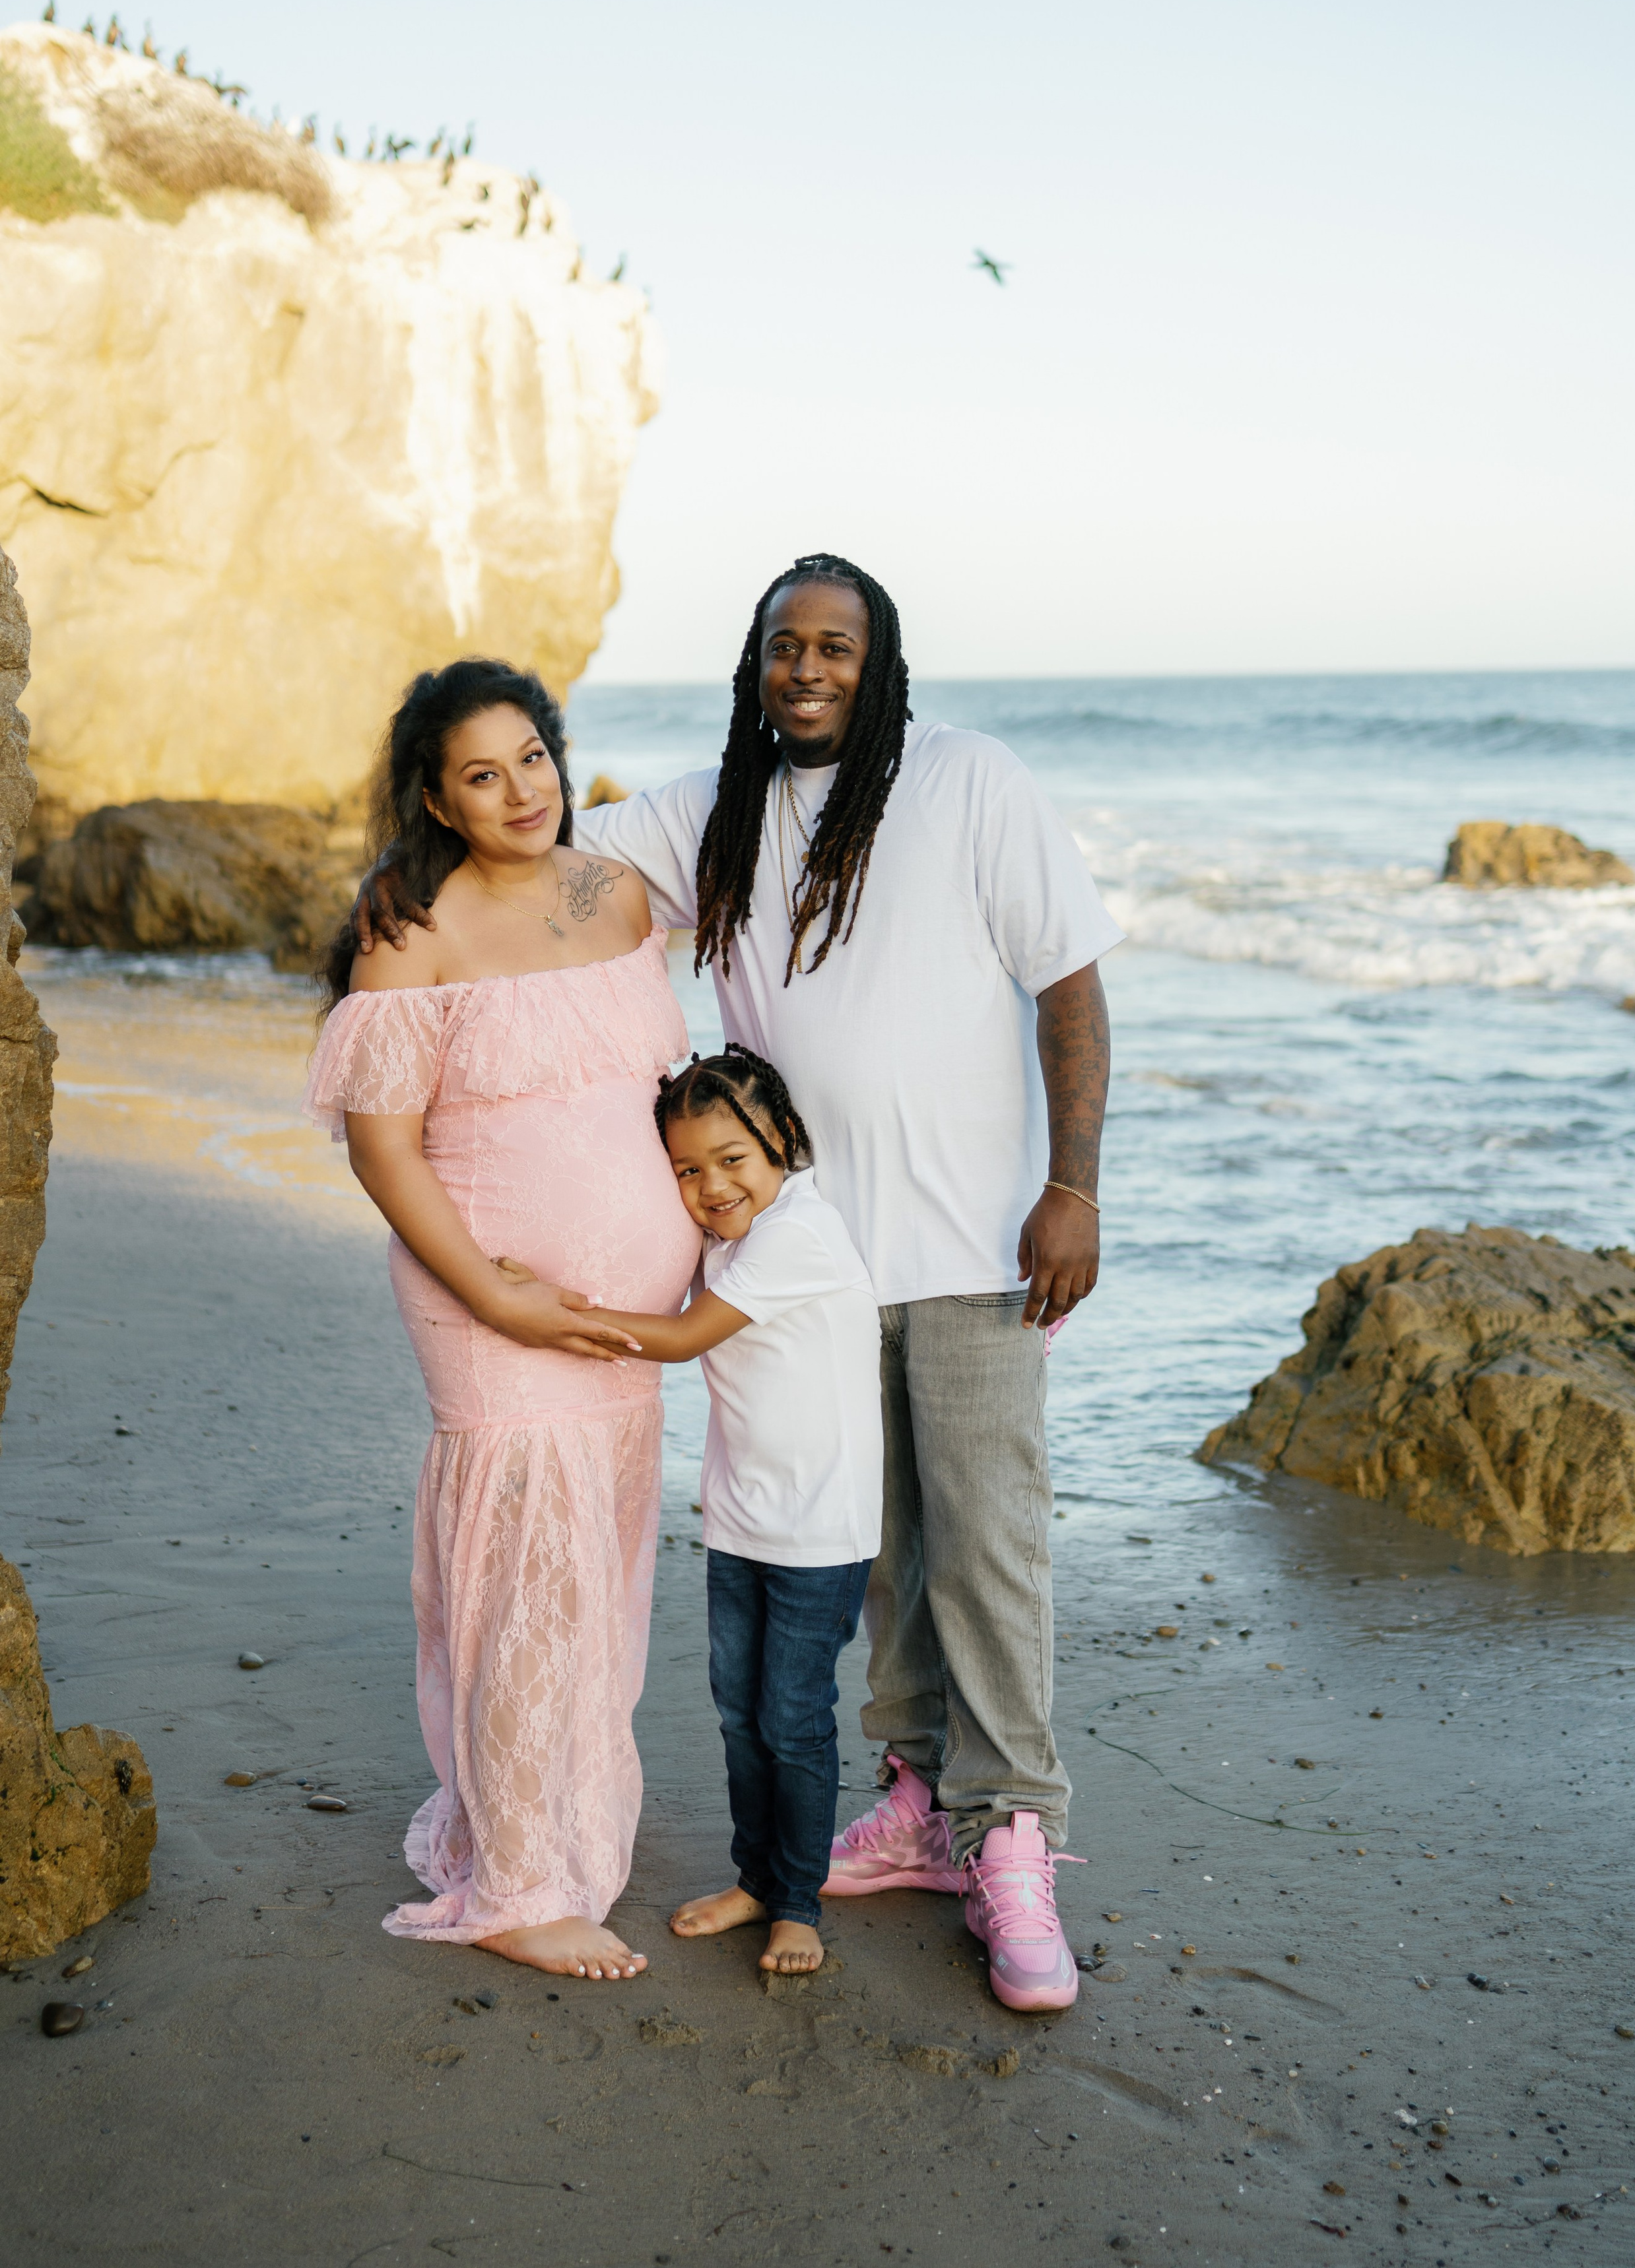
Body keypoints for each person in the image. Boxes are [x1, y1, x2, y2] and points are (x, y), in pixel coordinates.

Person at [356, 555, 1118, 2013]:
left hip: (967, 1248)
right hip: (789, 1261)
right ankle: (908, 1807)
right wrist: (408, 882)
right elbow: (540, 862)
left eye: (837, 646)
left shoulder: (970, 781)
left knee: (984, 1544)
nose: (808, 669)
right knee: (869, 1541)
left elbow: (1069, 980)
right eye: (784, 647)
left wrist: (1070, 1187)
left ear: (879, 661)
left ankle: (1011, 1837)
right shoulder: (707, 812)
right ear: (753, 666)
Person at [310, 657, 701, 1980]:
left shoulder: (620, 897)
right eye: (482, 773)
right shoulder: (410, 926)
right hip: (485, 1301)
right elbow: (385, 1151)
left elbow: (651, 1091)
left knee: (596, 1573)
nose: (520, 790)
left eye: (532, 756)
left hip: (625, 1326)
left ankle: (548, 1825)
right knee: (523, 1572)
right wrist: (495, 1290)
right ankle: (521, 1888)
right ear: (436, 796)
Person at [506, 1044, 882, 1978]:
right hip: (741, 1517)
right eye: (686, 1168)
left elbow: (672, 1338)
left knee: (793, 1717)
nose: (711, 1186)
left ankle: (798, 1904)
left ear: (784, 1143)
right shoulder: (730, 1237)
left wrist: (549, 1308)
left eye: (732, 1160)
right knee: (738, 1713)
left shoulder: (798, 1232)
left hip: (820, 1529)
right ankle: (757, 1880)